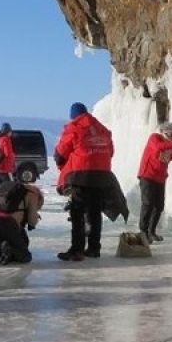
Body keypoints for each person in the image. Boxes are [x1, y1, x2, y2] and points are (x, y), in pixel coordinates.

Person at [54, 102, 128, 261]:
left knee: (77, 212)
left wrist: (64, 168)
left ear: (73, 115)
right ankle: (94, 248)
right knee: (94, 212)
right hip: (102, 175)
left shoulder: (73, 127)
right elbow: (111, 152)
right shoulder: (103, 130)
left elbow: (60, 153)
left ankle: (77, 249)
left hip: (80, 175)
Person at [136, 121, 172, 243]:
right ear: (165, 133)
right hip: (147, 176)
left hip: (160, 179)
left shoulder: (169, 146)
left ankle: (152, 231)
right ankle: (143, 231)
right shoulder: (155, 138)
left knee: (159, 206)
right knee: (148, 203)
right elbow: (157, 147)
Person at [0, 182, 44, 265]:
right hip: (8, 223)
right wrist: (33, 222)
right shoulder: (33, 194)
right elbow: (32, 221)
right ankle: (11, 249)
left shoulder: (10, 192)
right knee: (25, 257)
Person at [0, 122, 16, 187]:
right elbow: (7, 153)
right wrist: (13, 156)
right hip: (4, 169)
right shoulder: (6, 139)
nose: (11, 133)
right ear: (8, 131)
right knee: (9, 187)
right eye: (10, 131)